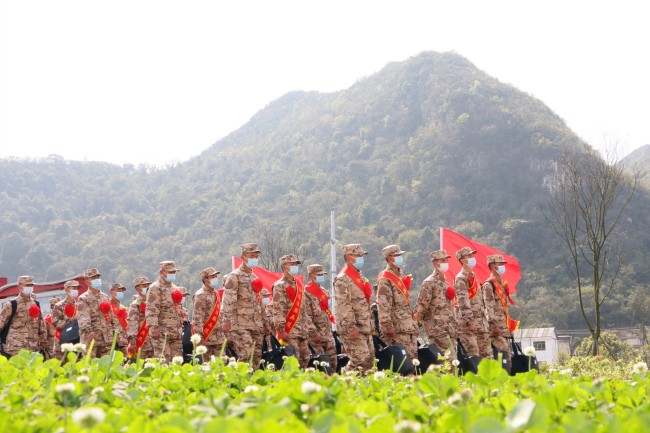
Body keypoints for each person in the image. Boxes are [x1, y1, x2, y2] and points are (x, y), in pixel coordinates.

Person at [221, 243, 270, 368]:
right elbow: (228, 300)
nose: (254, 259)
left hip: (256, 324)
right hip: (239, 324)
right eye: (251, 256)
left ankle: (253, 384)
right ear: (243, 257)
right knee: (246, 354)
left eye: (256, 256)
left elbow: (259, 302)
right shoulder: (234, 277)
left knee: (257, 357)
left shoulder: (254, 277)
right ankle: (239, 382)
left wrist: (265, 323)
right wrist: (226, 320)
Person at [334, 243, 374, 372]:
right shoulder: (342, 279)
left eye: (362, 255)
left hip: (364, 325)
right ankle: (344, 383)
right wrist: (351, 327)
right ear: (348, 257)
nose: (361, 257)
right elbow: (343, 306)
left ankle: (364, 389)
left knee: (369, 360)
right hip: (352, 327)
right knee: (359, 359)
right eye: (358, 255)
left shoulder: (360, 277)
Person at [272, 254, 315, 368]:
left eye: (296, 264)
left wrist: (310, 328)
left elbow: (303, 310)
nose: (295, 266)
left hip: (302, 330)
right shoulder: (279, 285)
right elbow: (277, 309)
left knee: (305, 359)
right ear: (285, 266)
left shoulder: (299, 285)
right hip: (289, 331)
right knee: (292, 362)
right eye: (293, 264)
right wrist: (281, 330)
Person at [376, 244, 418, 360]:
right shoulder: (386, 278)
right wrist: (387, 326)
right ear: (389, 258)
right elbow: (383, 304)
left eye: (400, 255)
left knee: (412, 362)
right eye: (397, 255)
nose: (400, 257)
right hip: (397, 328)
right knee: (401, 364)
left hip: (407, 327)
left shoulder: (399, 275)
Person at [415, 249, 458, 355]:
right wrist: (416, 325)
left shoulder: (445, 283)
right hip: (437, 329)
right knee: (445, 362)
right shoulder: (429, 283)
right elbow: (422, 306)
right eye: (442, 260)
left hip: (449, 329)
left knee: (453, 363)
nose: (445, 263)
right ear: (435, 263)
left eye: (446, 260)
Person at [146, 260, 184, 362]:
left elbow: (178, 308)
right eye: (170, 272)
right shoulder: (155, 288)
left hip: (176, 332)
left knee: (177, 364)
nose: (173, 274)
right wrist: (153, 330)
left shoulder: (175, 288)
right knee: (163, 362)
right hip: (162, 333)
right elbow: (151, 310)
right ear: (162, 272)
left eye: (174, 272)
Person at [0, 276, 47, 357]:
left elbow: (41, 325)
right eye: (27, 285)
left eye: (31, 285)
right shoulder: (12, 304)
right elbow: (1, 322)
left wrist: (43, 342)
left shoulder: (36, 303)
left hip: (33, 346)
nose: (30, 287)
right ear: (19, 286)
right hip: (15, 347)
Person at [303, 263, 337, 373]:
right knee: (321, 363)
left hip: (327, 332)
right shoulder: (306, 292)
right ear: (311, 275)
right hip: (316, 334)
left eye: (322, 274)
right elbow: (306, 315)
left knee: (333, 361)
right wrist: (313, 333)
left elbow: (327, 312)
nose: (321, 276)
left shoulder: (324, 291)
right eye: (319, 274)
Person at [483, 254, 516, 363]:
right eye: (500, 264)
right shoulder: (489, 285)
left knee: (507, 357)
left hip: (504, 327)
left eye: (503, 264)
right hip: (496, 328)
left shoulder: (501, 283)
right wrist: (494, 325)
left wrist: (509, 327)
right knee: (504, 355)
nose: (502, 266)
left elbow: (504, 308)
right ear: (492, 266)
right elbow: (489, 307)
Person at [77, 268, 115, 358]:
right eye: (93, 278)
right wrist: (89, 331)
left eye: (98, 277)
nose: (97, 280)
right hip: (91, 338)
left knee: (107, 365)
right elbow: (83, 318)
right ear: (86, 281)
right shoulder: (83, 298)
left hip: (106, 338)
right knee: (90, 365)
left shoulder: (105, 296)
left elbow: (111, 316)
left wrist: (113, 330)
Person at [192, 267, 227, 359]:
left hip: (219, 337)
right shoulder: (200, 295)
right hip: (207, 338)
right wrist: (199, 337)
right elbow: (197, 318)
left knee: (221, 366)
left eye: (216, 276)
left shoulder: (215, 294)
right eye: (212, 276)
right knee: (207, 367)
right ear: (205, 279)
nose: (215, 278)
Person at [454, 247, 483, 357]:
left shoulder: (473, 276)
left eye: (473, 256)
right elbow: (463, 302)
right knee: (473, 357)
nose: (472, 258)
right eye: (469, 256)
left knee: (485, 359)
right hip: (468, 326)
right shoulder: (461, 278)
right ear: (462, 260)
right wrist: (470, 322)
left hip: (480, 323)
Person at [127, 276, 154, 360]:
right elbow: (132, 324)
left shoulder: (153, 303)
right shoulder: (135, 305)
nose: (147, 287)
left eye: (148, 285)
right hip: (142, 343)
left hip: (155, 342)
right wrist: (132, 342)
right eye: (144, 286)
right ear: (138, 289)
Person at [52, 280, 82, 356]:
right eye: (73, 288)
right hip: (63, 341)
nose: (76, 290)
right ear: (66, 289)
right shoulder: (59, 306)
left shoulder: (80, 305)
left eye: (77, 288)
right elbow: (56, 323)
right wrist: (72, 320)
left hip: (77, 340)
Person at [109, 283, 129, 355]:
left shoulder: (123, 307)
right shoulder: (108, 306)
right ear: (111, 292)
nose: (120, 293)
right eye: (118, 290)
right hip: (113, 340)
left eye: (121, 291)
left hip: (125, 340)